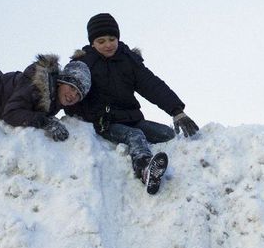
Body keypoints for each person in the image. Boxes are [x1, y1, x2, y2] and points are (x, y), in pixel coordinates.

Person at [66, 12, 199, 195]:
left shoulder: (128, 60)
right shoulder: (84, 64)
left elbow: (152, 85)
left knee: (167, 134)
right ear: (92, 43)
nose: (108, 45)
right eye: (101, 41)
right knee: (135, 135)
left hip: (131, 117)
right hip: (105, 123)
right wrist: (88, 118)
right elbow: (70, 95)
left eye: (112, 39)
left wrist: (177, 111)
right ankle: (144, 168)